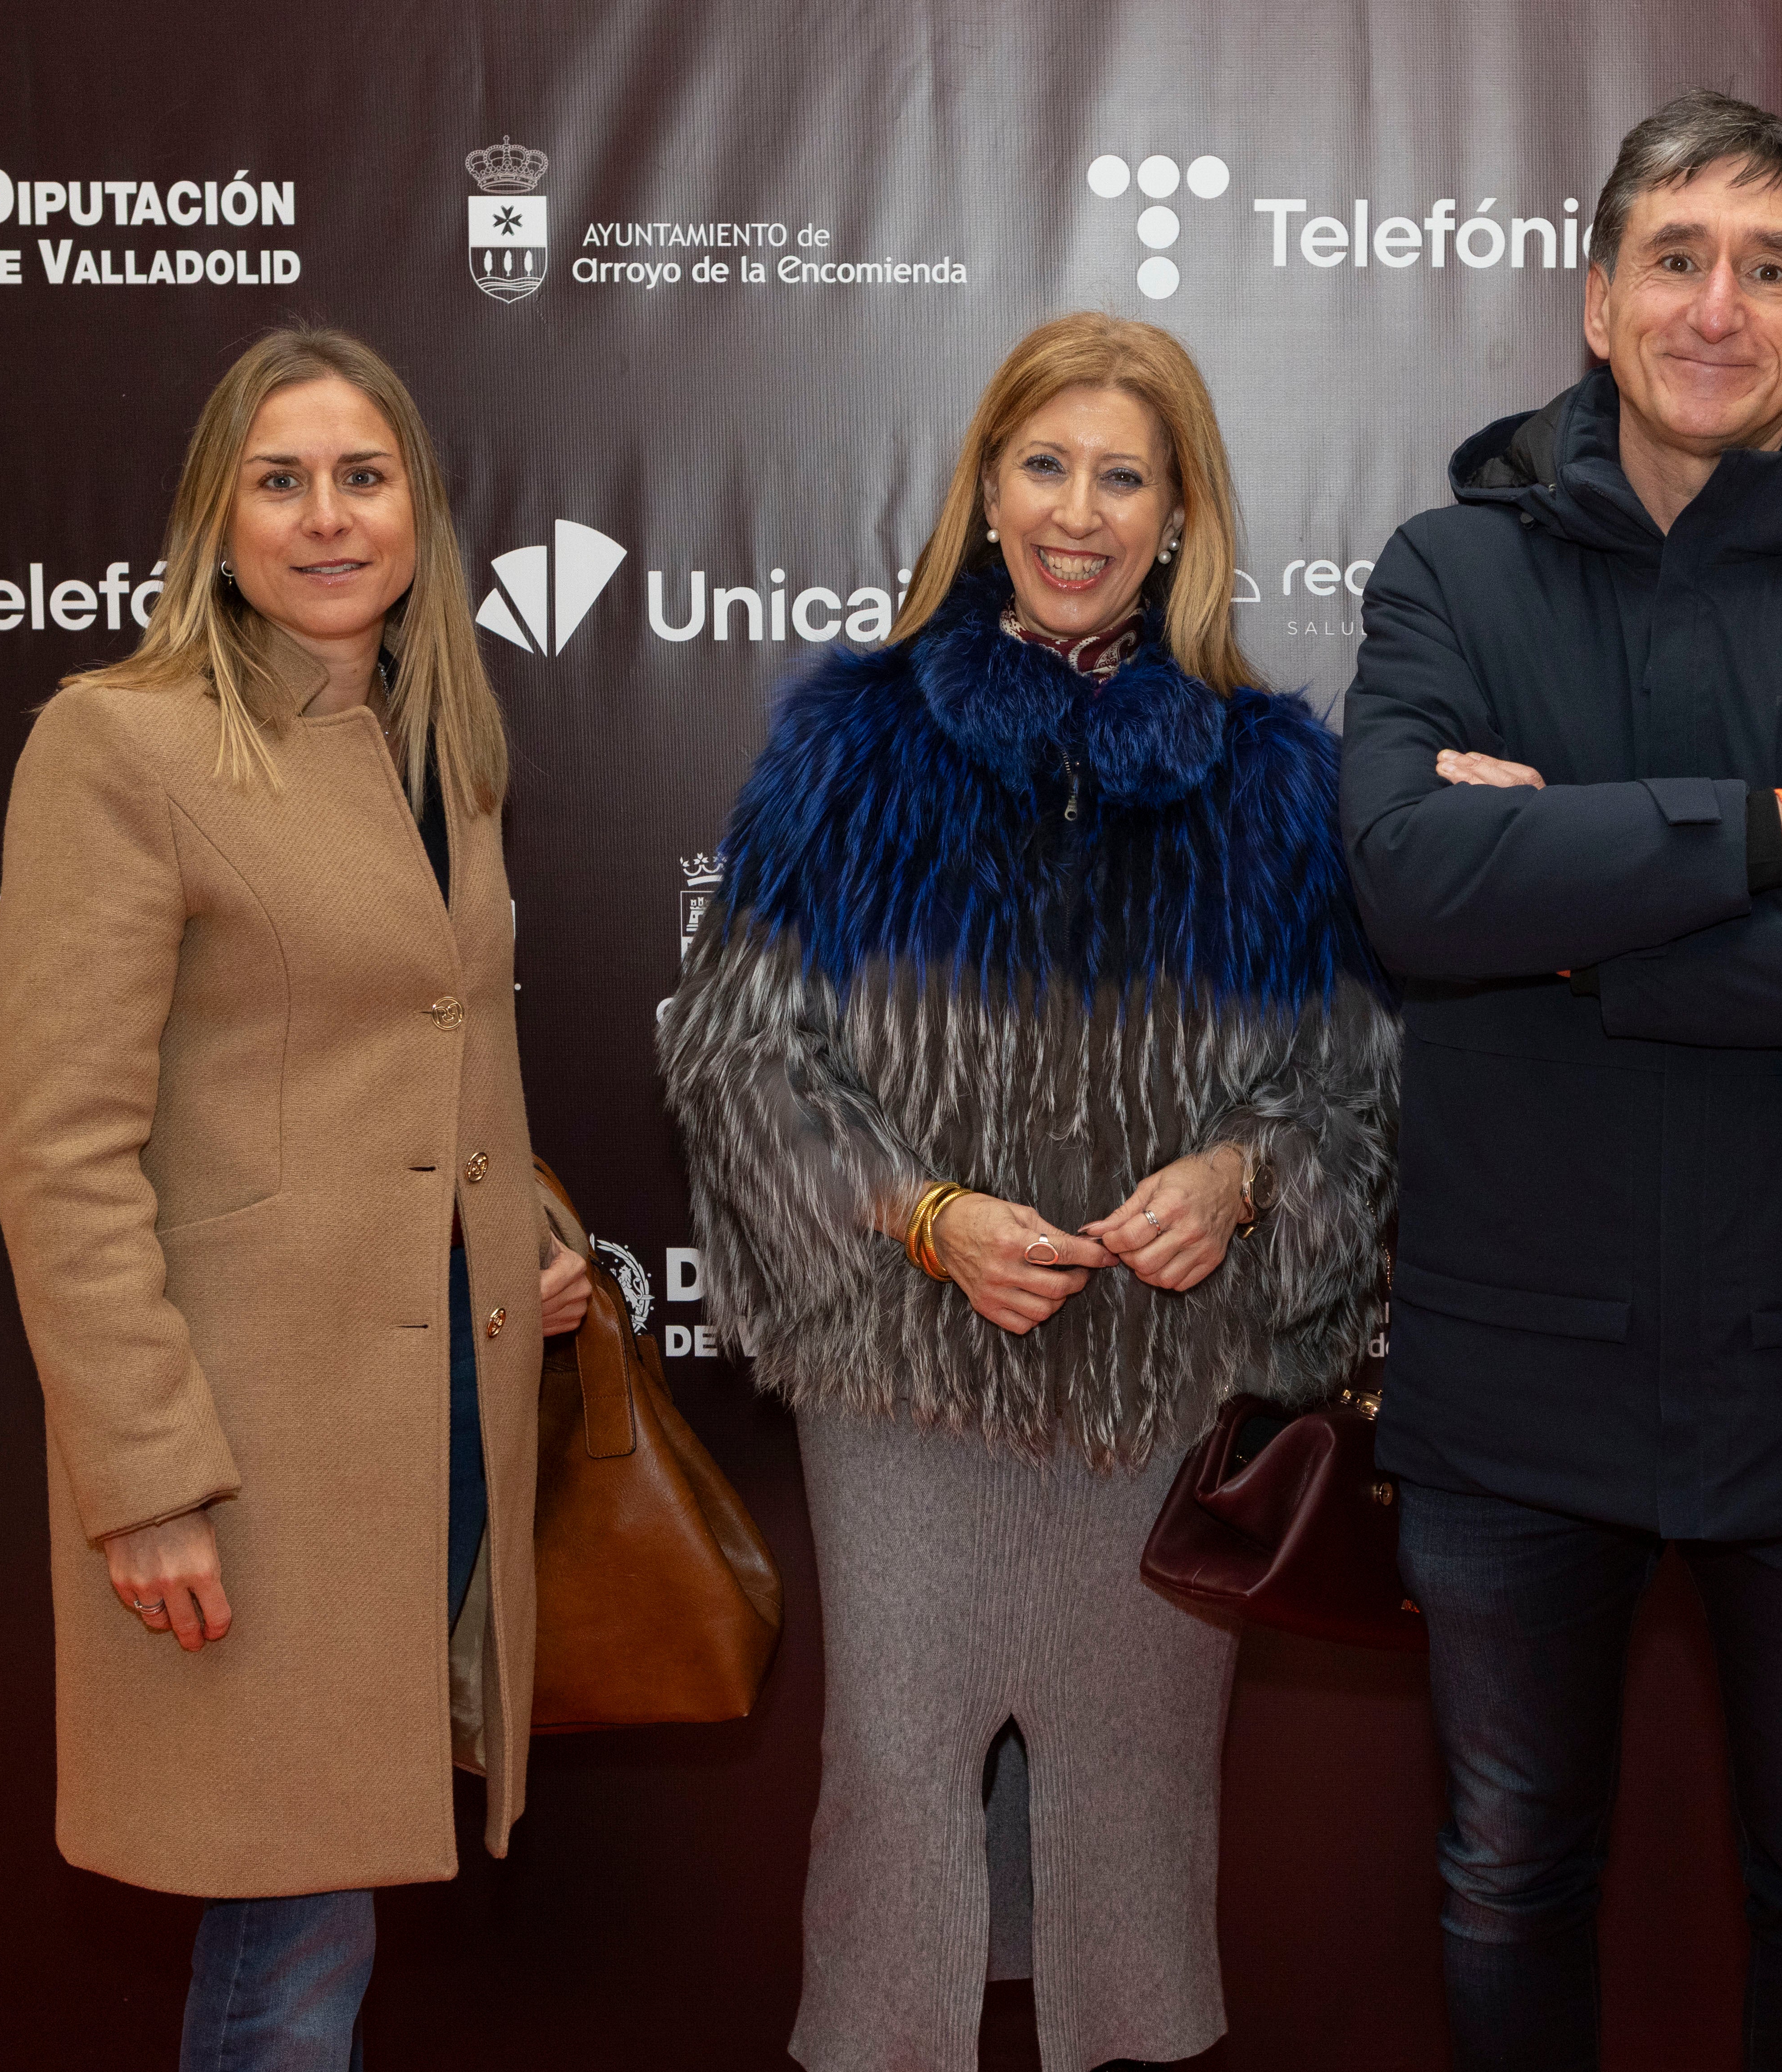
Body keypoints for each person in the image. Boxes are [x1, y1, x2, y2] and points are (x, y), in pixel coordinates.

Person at [1339, 90, 1782, 2072]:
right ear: (1597, 298)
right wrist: (1766, 831)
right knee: (1500, 1867)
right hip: (1509, 1374)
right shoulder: (1450, 569)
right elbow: (1406, 878)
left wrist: (1568, 897)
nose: (1717, 305)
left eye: (1771, 266)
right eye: (1676, 256)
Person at [659, 311, 1394, 2072]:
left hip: (1157, 1391)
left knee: (1137, 1820)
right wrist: (924, 1215)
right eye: (1046, 464)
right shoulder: (852, 743)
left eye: (1122, 475)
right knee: (896, 1797)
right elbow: (735, 1049)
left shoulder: (1270, 774)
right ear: (986, 492)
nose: (1080, 510)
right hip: (907, 1379)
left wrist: (1238, 1175)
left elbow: (1351, 1084)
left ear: (1178, 513)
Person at [0, 325, 594, 2071]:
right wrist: (148, 1475)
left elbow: (450, 1054)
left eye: (362, 474)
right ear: (216, 516)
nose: (326, 517)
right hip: (247, 1457)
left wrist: (526, 1248)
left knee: (316, 1927)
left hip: (430, 1429)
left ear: (418, 506)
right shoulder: (120, 744)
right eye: (280, 479)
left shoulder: (445, 743)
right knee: (288, 1941)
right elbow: (62, 1149)